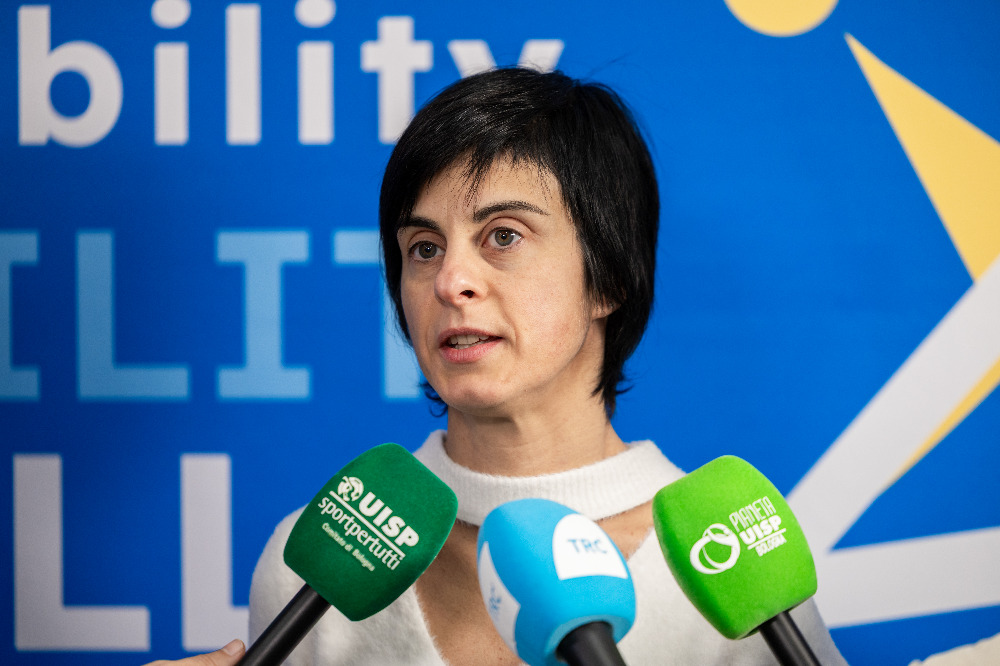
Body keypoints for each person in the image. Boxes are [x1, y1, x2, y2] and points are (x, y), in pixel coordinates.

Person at [249, 67, 847, 664]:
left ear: (608, 278)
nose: (450, 282)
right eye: (424, 249)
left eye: (503, 236)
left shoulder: (733, 571)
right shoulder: (312, 577)